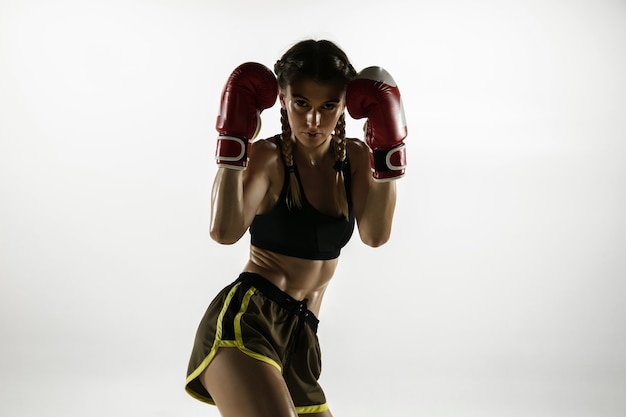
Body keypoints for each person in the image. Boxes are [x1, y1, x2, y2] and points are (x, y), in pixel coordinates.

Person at [185, 39, 407, 417]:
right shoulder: (269, 159)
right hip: (249, 323)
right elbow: (224, 232)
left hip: (300, 339)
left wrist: (388, 157)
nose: (314, 121)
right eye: (301, 104)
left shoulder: (353, 159)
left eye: (328, 106)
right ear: (283, 100)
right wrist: (233, 144)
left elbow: (375, 235)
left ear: (345, 106)